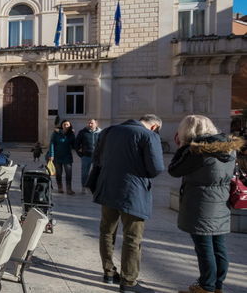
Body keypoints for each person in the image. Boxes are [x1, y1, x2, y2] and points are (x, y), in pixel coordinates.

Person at [168, 115, 240, 293]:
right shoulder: (229, 147)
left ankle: (205, 286)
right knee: (219, 246)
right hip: (221, 202)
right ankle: (217, 286)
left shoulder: (197, 150)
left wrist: (182, 147)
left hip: (200, 204)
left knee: (204, 248)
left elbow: (174, 170)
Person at [92, 114, 164, 293]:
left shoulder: (108, 132)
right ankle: (129, 282)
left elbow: (97, 159)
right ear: (154, 126)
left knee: (107, 232)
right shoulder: (149, 136)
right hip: (133, 192)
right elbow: (156, 168)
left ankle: (108, 272)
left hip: (108, 188)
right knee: (132, 237)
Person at [48, 120, 77, 194]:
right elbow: (52, 144)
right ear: (62, 125)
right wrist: (51, 155)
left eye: (67, 124)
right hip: (57, 156)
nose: (66, 126)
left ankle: (69, 189)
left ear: (70, 126)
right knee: (58, 173)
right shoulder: (56, 133)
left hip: (67, 157)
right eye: (64, 124)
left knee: (68, 173)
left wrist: (80, 149)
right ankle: (60, 187)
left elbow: (74, 145)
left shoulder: (71, 134)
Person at [76, 119, 101, 193]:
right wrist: (80, 154)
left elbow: (104, 143)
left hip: (97, 157)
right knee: (84, 173)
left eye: (92, 123)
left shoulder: (101, 133)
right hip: (86, 156)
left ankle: (95, 187)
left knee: (96, 172)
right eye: (89, 123)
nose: (90, 124)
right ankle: (84, 187)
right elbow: (77, 144)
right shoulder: (82, 132)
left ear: (96, 124)